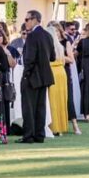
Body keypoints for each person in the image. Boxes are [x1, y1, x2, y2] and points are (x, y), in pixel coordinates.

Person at [19, 10, 56, 145]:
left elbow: (29, 59)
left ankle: (28, 136)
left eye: (27, 19)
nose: (25, 22)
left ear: (35, 19)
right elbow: (52, 57)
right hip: (44, 76)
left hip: (32, 76)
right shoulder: (48, 35)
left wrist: (25, 75)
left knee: (28, 107)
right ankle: (39, 135)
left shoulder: (32, 36)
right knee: (41, 107)